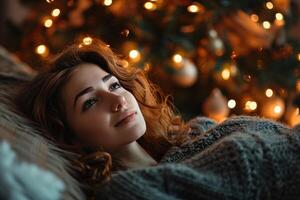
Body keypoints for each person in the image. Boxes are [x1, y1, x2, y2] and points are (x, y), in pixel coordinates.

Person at [16, 38, 300, 200]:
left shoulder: (194, 131)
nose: (118, 100)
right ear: (69, 135)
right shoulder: (127, 189)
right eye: (90, 102)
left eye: (114, 85)